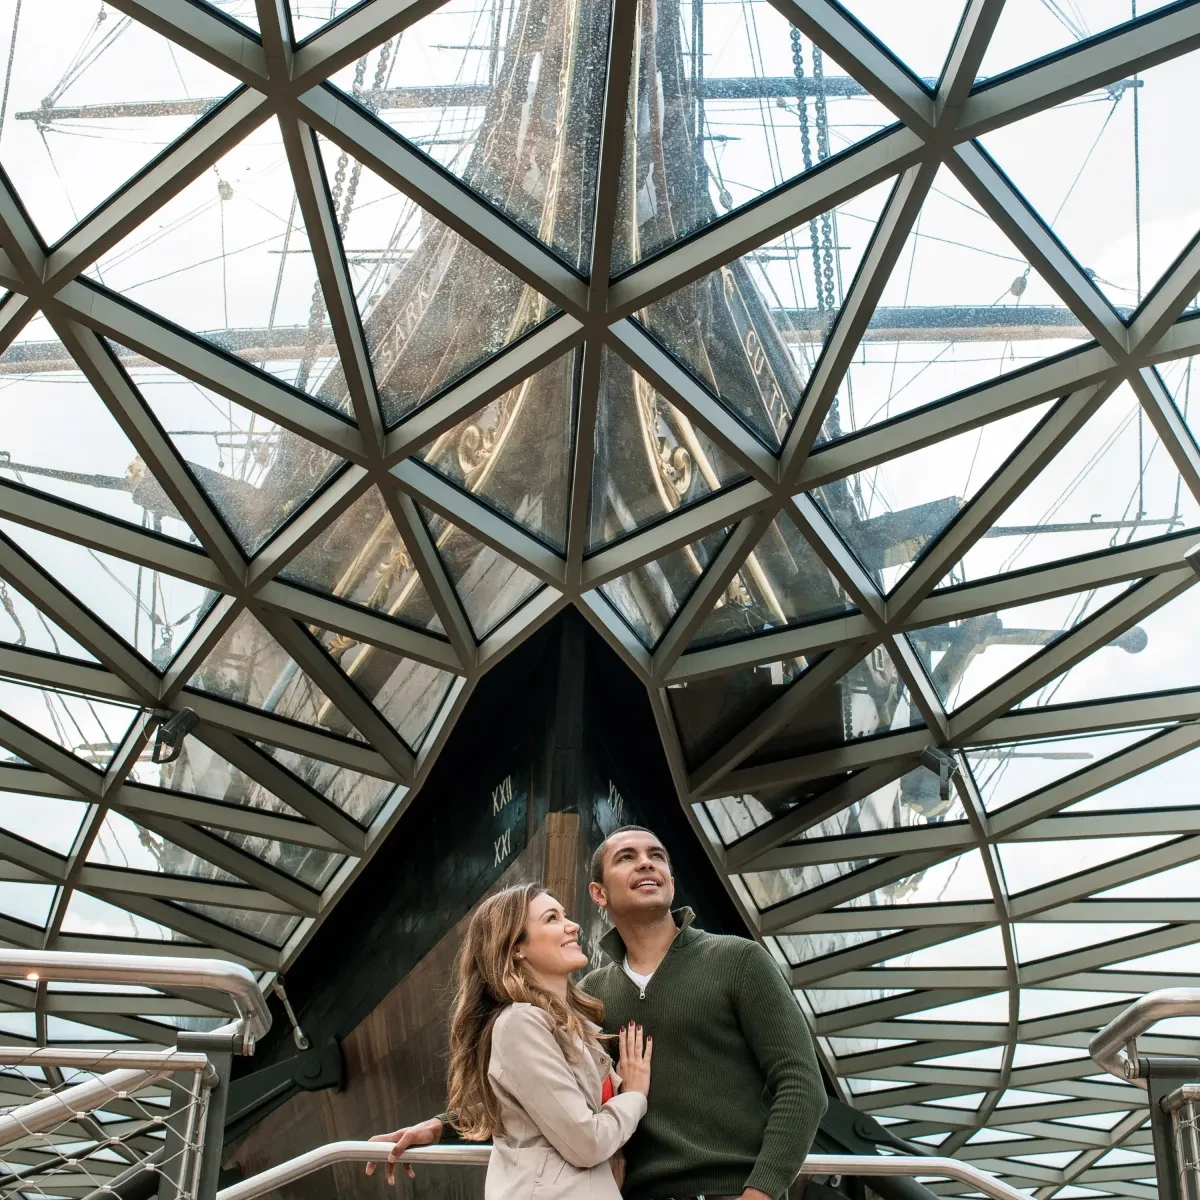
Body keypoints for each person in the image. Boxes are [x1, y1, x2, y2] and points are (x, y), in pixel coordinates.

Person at [367, 827, 827, 1200]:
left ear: (670, 878)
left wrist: (760, 1194)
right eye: (626, 857)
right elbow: (538, 1100)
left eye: (657, 855)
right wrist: (437, 1128)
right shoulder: (588, 999)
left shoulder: (739, 960)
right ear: (599, 893)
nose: (647, 862)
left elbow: (802, 1084)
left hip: (729, 1192)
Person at [427, 881, 653, 1198]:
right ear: (515, 947)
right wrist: (635, 1095)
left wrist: (439, 1127)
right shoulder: (520, 1023)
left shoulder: (568, 1026)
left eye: (565, 916)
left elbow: (529, 1109)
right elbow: (588, 1142)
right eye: (552, 918)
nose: (573, 926)